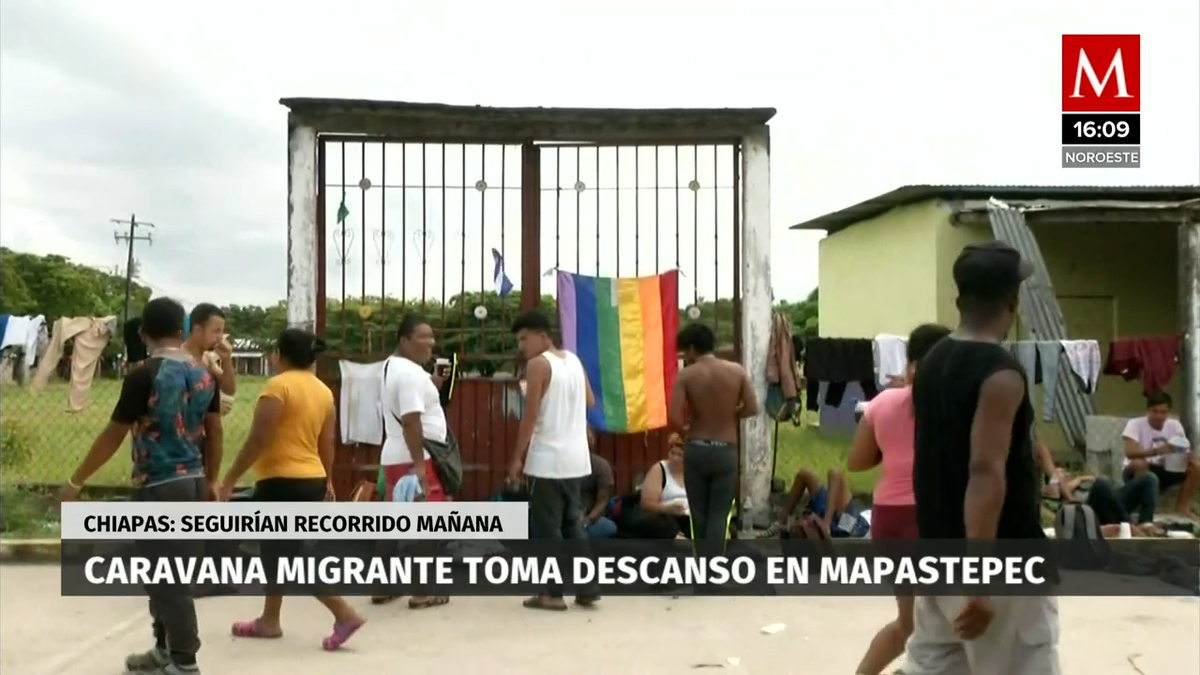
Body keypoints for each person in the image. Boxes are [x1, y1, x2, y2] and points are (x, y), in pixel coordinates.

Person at [900, 241, 1060, 675]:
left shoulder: (933, 361)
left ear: (959, 300)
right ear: (1013, 301)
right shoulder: (1001, 372)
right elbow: (986, 471)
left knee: (935, 665)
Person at [60, 297, 221, 675]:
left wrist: (75, 481)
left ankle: (185, 661)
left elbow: (114, 434)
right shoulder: (204, 375)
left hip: (160, 486)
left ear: (144, 334)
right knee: (159, 574)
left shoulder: (142, 375)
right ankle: (164, 648)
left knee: (169, 578)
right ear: (182, 331)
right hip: (194, 483)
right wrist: (212, 480)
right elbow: (215, 432)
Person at [216, 328, 366, 651]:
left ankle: (344, 613)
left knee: (288, 556)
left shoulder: (277, 387)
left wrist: (229, 479)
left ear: (278, 355)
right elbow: (327, 444)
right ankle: (270, 619)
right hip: (310, 479)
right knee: (277, 552)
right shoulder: (323, 392)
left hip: (280, 482)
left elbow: (258, 439)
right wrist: (327, 479)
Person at [845, 323, 949, 675]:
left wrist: (892, 451)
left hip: (889, 519)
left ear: (910, 364)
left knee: (910, 623)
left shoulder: (884, 402)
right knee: (947, 628)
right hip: (934, 517)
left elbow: (856, 462)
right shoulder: (958, 402)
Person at [508, 310, 600, 611]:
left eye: (524, 338)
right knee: (574, 524)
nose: (522, 345)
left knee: (547, 529)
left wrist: (516, 459)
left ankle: (552, 593)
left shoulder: (538, 365)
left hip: (546, 459)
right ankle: (587, 588)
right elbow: (589, 401)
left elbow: (530, 416)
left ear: (542, 335)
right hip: (576, 459)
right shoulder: (572, 360)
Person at [377, 314, 453, 609]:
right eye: (423, 336)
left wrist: (434, 382)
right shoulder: (409, 374)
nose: (431, 343)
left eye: (432, 336)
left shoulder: (394, 367)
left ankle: (382, 586)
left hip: (397, 455)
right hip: (414, 458)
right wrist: (420, 467)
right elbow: (411, 420)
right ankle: (423, 591)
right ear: (404, 340)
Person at [670, 323, 758, 559]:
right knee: (720, 515)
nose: (684, 357)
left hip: (697, 449)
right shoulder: (737, 371)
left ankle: (702, 571)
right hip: (725, 451)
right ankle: (714, 571)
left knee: (699, 514)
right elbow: (752, 407)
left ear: (691, 348)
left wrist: (688, 430)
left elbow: (673, 417)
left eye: (684, 353)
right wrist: (729, 414)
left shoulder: (686, 375)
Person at [1121, 390, 1198, 518]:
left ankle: (1183, 506)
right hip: (1139, 470)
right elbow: (1129, 452)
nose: (1159, 416)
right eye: (1155, 411)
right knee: (1140, 463)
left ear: (1168, 412)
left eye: (1163, 412)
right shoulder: (1134, 424)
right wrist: (1157, 451)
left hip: (1167, 467)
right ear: (1148, 410)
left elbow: (1182, 449)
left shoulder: (1175, 425)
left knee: (1197, 466)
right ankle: (1143, 507)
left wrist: (1188, 456)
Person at [763, 466, 868, 538]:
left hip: (848, 526)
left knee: (833, 473)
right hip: (835, 519)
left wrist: (825, 522)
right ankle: (780, 522)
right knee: (805, 473)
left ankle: (825, 524)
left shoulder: (855, 525)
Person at [184, 303, 236, 401]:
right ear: (197, 329)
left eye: (221, 332)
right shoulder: (178, 358)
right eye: (216, 331)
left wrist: (227, 361)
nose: (220, 337)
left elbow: (229, 390)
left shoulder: (207, 359)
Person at [581, 428, 618, 540]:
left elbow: (602, 501)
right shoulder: (560, 465)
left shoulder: (601, 466)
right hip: (562, 517)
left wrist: (587, 521)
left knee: (608, 528)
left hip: (588, 517)